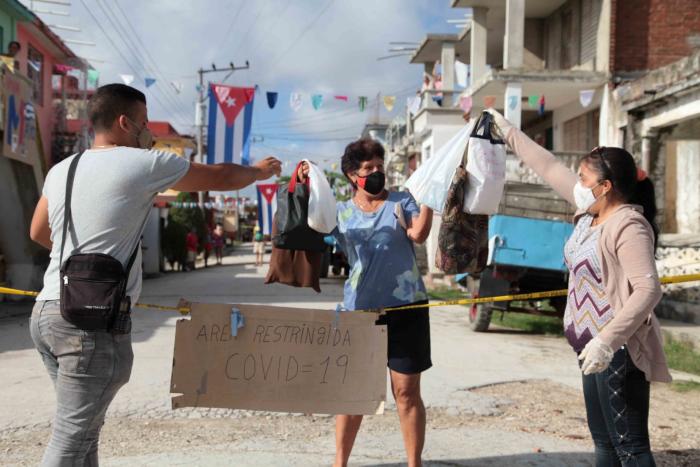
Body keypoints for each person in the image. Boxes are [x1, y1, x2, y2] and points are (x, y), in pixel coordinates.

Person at [28, 83, 281, 466]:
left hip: (47, 310)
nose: (151, 133)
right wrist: (257, 171)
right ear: (124, 122)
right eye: (145, 123)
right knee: (69, 439)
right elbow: (220, 176)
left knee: (83, 431)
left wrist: (80, 263)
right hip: (89, 321)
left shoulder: (63, 168)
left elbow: (37, 232)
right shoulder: (142, 163)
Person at [486, 108, 671, 466]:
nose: (578, 184)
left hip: (618, 348)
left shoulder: (627, 226)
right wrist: (507, 131)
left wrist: (607, 340)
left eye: (584, 179)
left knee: (630, 447)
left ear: (605, 187)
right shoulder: (590, 215)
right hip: (590, 345)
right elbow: (549, 166)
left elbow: (648, 290)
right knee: (603, 444)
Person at [299, 139, 433, 467]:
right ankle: (339, 463)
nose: (376, 173)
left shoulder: (402, 201)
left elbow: (419, 234)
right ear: (351, 175)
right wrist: (306, 181)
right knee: (354, 394)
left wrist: (432, 195)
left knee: (406, 393)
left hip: (406, 309)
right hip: (359, 313)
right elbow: (314, 222)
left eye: (379, 167)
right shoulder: (341, 213)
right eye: (368, 168)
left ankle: (415, 463)